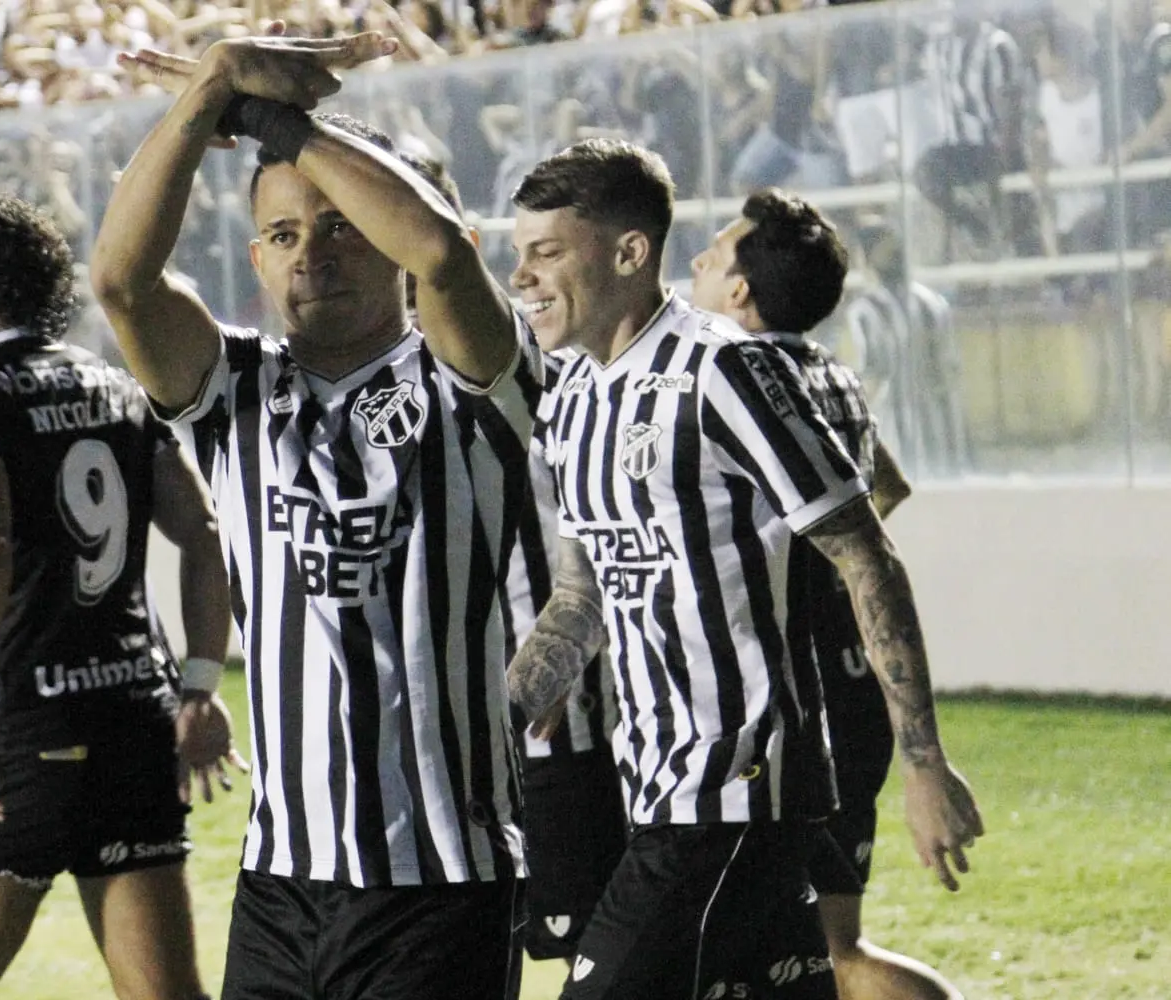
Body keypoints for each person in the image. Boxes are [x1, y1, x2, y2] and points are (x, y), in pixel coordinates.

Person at [92, 31, 539, 1000]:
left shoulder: (473, 375)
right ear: (257, 258)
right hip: (280, 883)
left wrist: (265, 117)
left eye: (340, 226)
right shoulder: (236, 387)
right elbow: (121, 282)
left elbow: (441, 252)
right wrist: (210, 84)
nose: (314, 255)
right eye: (286, 235)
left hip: (440, 879)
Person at [506, 140, 984, 1000]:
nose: (522, 278)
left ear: (629, 252)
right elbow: (583, 594)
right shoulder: (570, 397)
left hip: (737, 788)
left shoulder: (724, 369)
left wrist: (924, 763)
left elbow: (866, 553)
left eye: (546, 252)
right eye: (519, 254)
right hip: (654, 788)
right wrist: (501, 718)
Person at [0, 194, 237, 1000]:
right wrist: (199, 684)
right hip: (137, 727)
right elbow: (203, 531)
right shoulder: (114, 383)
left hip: (32, 736)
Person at [400, 147, 628, 966]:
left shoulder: (540, 358)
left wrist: (559, 659)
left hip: (551, 729)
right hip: (433, 747)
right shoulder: (369, 378)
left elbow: (610, 531)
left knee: (591, 960)